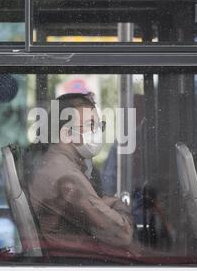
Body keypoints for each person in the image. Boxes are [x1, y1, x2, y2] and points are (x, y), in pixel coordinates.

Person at [29, 93, 134, 253]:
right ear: (67, 134)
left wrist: (104, 206)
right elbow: (122, 234)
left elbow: (89, 209)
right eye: (91, 125)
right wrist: (119, 205)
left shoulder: (54, 164)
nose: (97, 132)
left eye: (99, 125)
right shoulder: (68, 177)